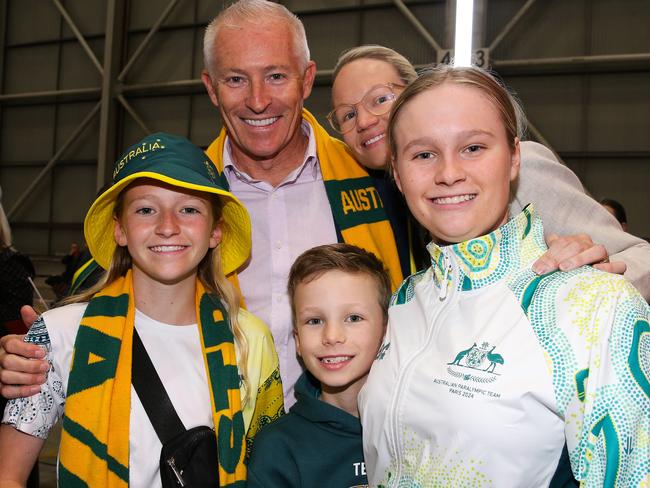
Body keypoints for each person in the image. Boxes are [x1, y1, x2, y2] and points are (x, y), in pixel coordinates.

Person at [0, 1, 621, 406]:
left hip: (373, 433)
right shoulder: (183, 196)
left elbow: (540, 238)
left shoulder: (388, 172)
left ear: (306, 78)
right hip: (217, 439)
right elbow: (102, 288)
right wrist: (40, 351)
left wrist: (585, 268)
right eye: (236, 80)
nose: (259, 100)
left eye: (276, 76)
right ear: (210, 88)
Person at [358, 65, 650, 486]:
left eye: (474, 147)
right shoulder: (406, 299)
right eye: (423, 154)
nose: (449, 173)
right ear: (398, 175)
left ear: (515, 157)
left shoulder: (593, 305)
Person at [0, 133, 284, 487]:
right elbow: (8, 475)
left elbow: (271, 466)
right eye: (146, 209)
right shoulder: (58, 334)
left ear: (215, 231)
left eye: (190, 209)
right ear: (120, 229)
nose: (167, 226)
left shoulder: (249, 338)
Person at [330, 44, 650, 300]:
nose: (364, 121)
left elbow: (639, 257)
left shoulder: (522, 169)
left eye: (380, 99)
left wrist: (590, 289)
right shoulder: (378, 196)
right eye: (348, 115)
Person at [247, 243, 390, 487]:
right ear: (298, 341)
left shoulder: (414, 426)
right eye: (314, 320)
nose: (332, 336)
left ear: (386, 331)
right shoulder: (278, 448)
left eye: (353, 318)